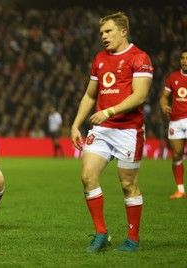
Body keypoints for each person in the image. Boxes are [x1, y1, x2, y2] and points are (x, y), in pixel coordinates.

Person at [71, 12, 153, 252]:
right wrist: (76, 124)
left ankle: (133, 239)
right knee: (87, 177)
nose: (104, 37)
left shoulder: (140, 58)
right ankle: (100, 234)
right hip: (102, 130)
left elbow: (140, 95)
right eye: (101, 33)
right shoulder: (99, 58)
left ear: (123, 31)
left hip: (128, 130)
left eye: (108, 31)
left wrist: (109, 111)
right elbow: (89, 95)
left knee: (128, 185)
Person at [159, 48, 187, 199]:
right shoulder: (173, 77)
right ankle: (180, 190)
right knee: (177, 154)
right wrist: (163, 105)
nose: (184, 61)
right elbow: (164, 97)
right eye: (182, 58)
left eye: (186, 58)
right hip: (175, 121)